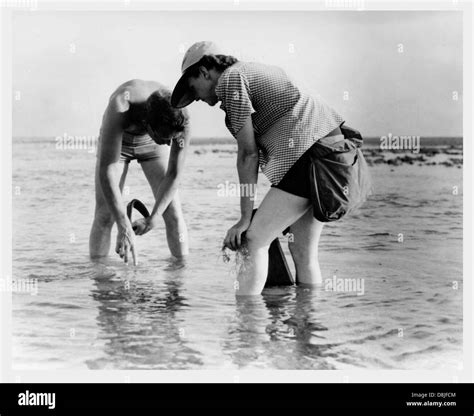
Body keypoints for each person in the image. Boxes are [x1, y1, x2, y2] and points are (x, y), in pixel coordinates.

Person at [171, 41, 346, 296]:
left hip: (309, 155)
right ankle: (307, 329)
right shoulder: (251, 70)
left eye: (191, 86)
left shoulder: (230, 81)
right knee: (303, 253)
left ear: (205, 71)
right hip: (330, 154)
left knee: (252, 242)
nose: (194, 96)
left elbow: (248, 154)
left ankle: (247, 328)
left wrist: (244, 220)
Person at [90, 79, 190, 266]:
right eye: (165, 138)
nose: (169, 145)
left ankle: (180, 276)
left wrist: (154, 217)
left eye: (172, 139)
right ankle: (99, 277)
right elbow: (108, 170)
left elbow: (174, 175)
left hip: (151, 143)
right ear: (147, 124)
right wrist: (123, 225)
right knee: (105, 214)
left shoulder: (181, 114)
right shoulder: (121, 105)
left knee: (173, 212)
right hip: (121, 138)